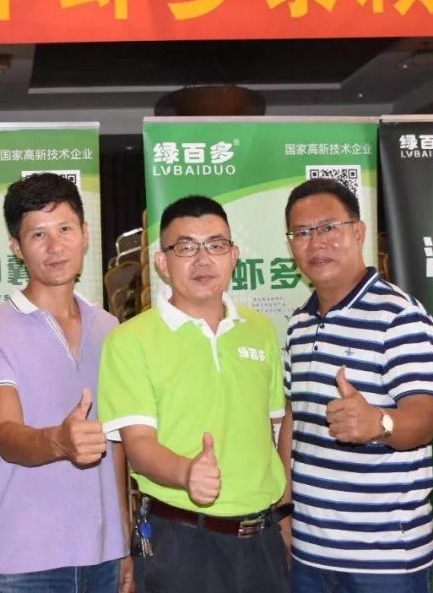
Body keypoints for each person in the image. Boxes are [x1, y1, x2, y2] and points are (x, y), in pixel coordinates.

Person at [99, 195, 291, 593]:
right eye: (186, 247)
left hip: (263, 540)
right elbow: (138, 446)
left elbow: (274, 432)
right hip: (181, 542)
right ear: (162, 262)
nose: (203, 260)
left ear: (234, 256)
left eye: (216, 245)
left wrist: (285, 519)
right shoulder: (130, 340)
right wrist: (187, 473)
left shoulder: (260, 330)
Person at [0, 173, 131, 593]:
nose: (55, 246)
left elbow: (115, 444)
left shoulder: (109, 328)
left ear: (85, 234)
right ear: (16, 247)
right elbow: (7, 435)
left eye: (65, 229)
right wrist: (60, 440)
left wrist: (123, 540)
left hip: (103, 556)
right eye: (38, 234)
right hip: (25, 561)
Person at [283, 177, 433, 593]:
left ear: (358, 231)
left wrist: (379, 423)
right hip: (310, 553)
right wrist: (285, 510)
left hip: (385, 559)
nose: (316, 242)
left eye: (328, 227)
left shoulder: (400, 317)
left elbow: (423, 421)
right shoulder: (298, 325)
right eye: (302, 233)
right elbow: (293, 419)